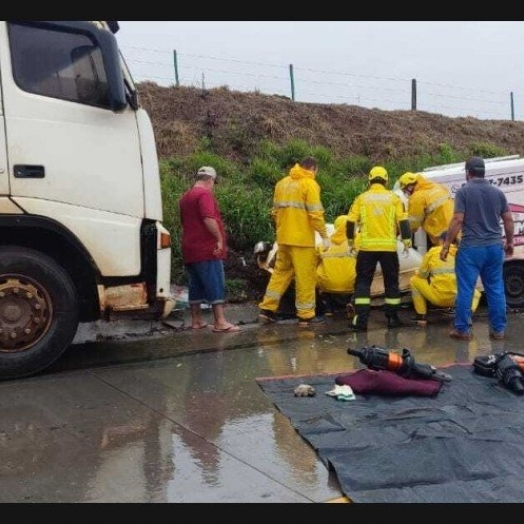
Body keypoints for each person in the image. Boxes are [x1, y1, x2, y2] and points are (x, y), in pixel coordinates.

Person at [440, 156, 514, 341]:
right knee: (496, 288)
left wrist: (446, 244)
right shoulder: (497, 193)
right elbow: (508, 219)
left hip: (471, 249)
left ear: (468, 172)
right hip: (494, 248)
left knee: (466, 289)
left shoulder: (464, 192)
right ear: (483, 171)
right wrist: (510, 242)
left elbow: (458, 219)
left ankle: (462, 330)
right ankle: (498, 331)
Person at [258, 156, 330, 326]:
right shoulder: (310, 184)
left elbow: (275, 213)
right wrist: (324, 236)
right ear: (313, 169)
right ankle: (305, 316)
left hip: (283, 239)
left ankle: (267, 309)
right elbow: (315, 215)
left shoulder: (282, 183)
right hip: (302, 241)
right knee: (305, 277)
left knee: (280, 274)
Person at [346, 166, 413, 331]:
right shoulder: (393, 199)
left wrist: (350, 240)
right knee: (391, 283)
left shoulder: (361, 198)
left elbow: (350, 221)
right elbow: (403, 221)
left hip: (367, 249)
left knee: (363, 283)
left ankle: (361, 321)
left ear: (369, 180)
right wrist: (406, 241)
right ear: (386, 180)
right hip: (388, 249)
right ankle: (392, 318)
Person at [179, 166, 240, 333]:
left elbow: (185, 222)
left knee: (196, 284)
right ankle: (220, 321)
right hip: (206, 248)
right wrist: (219, 239)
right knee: (215, 282)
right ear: (209, 180)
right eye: (213, 182)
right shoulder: (204, 194)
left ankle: (196, 320)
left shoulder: (186, 197)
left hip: (189, 247)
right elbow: (207, 218)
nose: (213, 186)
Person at [409, 233, 482, 326]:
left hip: (437, 298)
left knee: (414, 280)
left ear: (442, 241)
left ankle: (421, 316)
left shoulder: (433, 252)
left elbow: (422, 275)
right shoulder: (460, 252)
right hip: (457, 298)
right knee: (476, 293)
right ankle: (466, 316)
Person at [316, 215, 358, 316]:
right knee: (361, 277)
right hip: (350, 285)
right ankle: (351, 302)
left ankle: (328, 308)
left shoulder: (323, 244)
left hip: (327, 285)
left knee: (319, 273)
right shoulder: (357, 241)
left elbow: (314, 262)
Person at [398, 171, 454, 246]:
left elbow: (413, 224)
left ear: (409, 187)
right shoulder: (437, 186)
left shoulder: (417, 197)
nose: (406, 193)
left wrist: (400, 229)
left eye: (405, 190)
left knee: (444, 255)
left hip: (441, 232)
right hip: (456, 227)